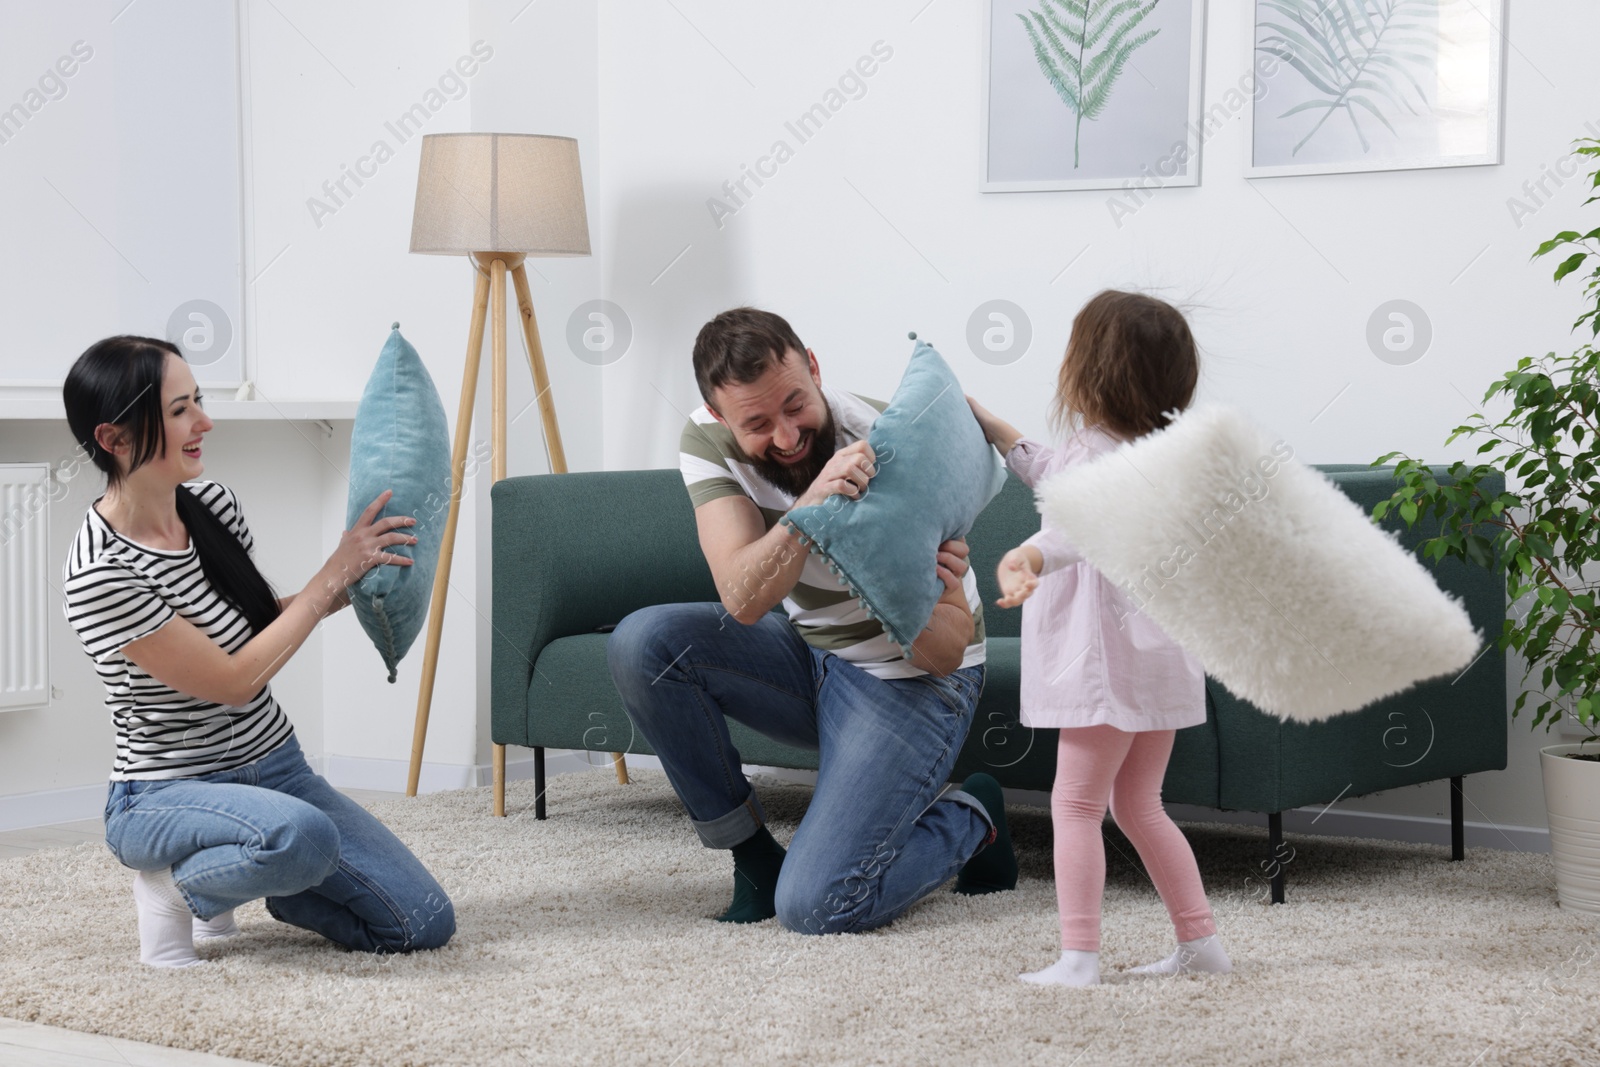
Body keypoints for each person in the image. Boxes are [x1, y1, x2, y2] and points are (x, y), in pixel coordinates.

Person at [606, 307, 1017, 934]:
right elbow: (743, 599)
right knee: (646, 643)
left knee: (820, 905)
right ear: (720, 418)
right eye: (758, 424)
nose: (787, 435)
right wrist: (812, 506)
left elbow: (941, 654)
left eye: (796, 405)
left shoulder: (892, 445)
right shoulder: (707, 441)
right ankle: (754, 860)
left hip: (909, 678)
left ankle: (972, 816)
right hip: (808, 653)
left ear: (815, 370)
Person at [60, 335, 455, 967]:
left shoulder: (213, 506)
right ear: (115, 439)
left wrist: (365, 577)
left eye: (199, 401)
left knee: (423, 922)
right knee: (302, 835)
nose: (204, 422)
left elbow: (259, 626)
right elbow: (236, 680)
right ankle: (174, 888)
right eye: (179, 410)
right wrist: (331, 571)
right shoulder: (102, 573)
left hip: (277, 768)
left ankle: (268, 878)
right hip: (165, 793)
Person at [968, 290, 1232, 987]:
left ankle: (1079, 956)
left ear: (1089, 373)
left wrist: (1028, 558)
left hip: (1102, 664)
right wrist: (998, 428)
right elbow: (1055, 475)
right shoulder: (1154, 454)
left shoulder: (1098, 457)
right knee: (1138, 804)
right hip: (1157, 661)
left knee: (1077, 803)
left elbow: (1076, 521)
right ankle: (1200, 941)